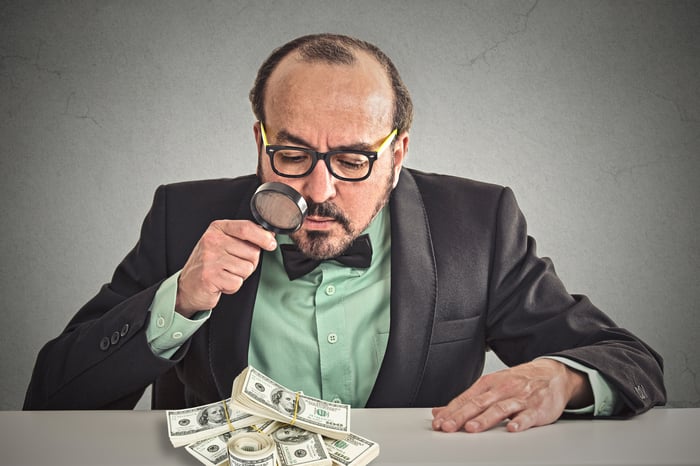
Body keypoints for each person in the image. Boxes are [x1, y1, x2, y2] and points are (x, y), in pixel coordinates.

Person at [24, 33, 665, 434]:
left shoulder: (478, 224)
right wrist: (178, 301)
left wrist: (561, 378)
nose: (318, 192)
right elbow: (51, 402)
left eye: (354, 159)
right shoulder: (182, 217)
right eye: (293, 154)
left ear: (398, 152)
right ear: (260, 141)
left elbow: (633, 364)